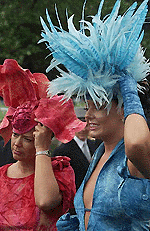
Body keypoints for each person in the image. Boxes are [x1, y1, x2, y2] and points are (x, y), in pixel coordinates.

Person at [39, 0, 150, 230]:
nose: (87, 114)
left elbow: (137, 143)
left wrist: (129, 93)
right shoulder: (99, 155)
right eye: (86, 106)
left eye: (97, 105)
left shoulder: (134, 158)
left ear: (123, 111)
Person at [0, 59, 86, 230]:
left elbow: (46, 201)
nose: (17, 143)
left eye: (27, 139)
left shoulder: (59, 173)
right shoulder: (2, 175)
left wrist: (42, 149)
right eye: (16, 135)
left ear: (43, 140)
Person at [52, 107, 101, 190]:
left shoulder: (95, 145)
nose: (82, 130)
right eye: (79, 127)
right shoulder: (63, 151)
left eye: (85, 126)